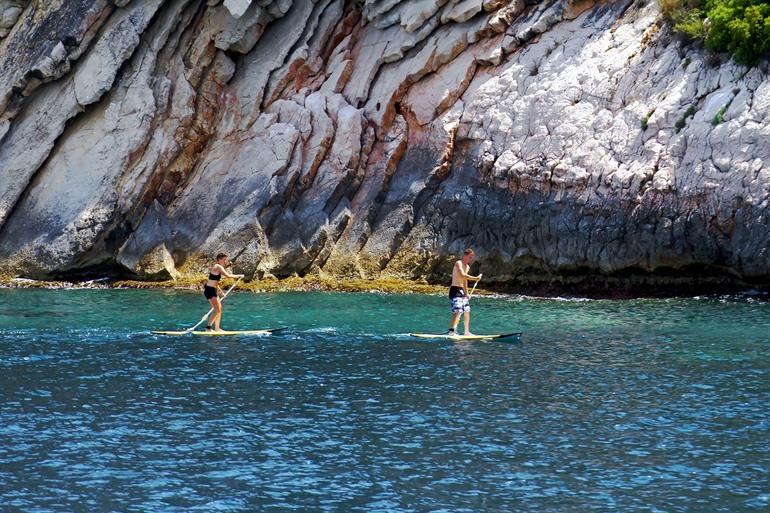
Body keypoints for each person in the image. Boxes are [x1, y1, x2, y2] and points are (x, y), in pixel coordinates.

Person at [204, 252, 244, 332]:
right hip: (210, 290)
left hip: (213, 290)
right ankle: (208, 328)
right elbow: (228, 276)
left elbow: (215, 281)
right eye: (224, 259)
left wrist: (220, 291)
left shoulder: (218, 267)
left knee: (219, 309)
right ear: (219, 259)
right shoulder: (218, 266)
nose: (225, 261)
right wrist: (239, 276)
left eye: (226, 259)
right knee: (217, 309)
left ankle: (217, 328)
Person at [448, 248, 482, 336]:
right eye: (470, 257)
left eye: (471, 258)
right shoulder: (458, 263)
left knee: (467, 310)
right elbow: (462, 274)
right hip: (455, 290)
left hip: (462, 291)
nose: (471, 259)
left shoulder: (467, 267)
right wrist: (475, 278)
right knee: (458, 310)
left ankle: (466, 332)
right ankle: (452, 331)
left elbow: (464, 280)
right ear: (465, 255)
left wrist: (466, 294)